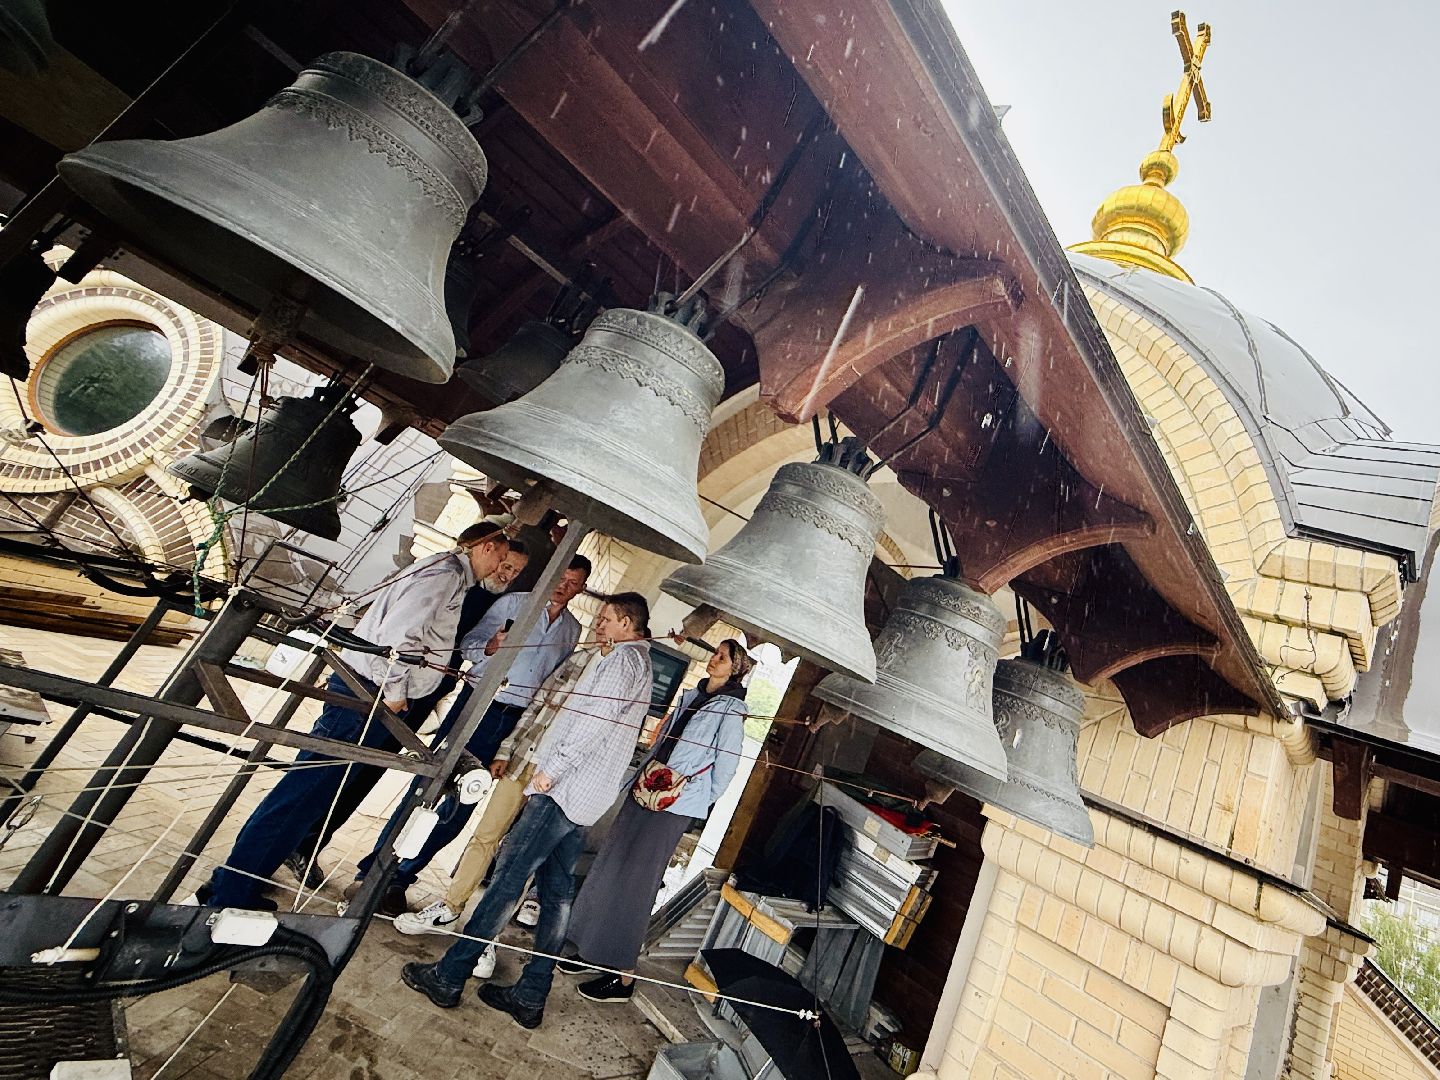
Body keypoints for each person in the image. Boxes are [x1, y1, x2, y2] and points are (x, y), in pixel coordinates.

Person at [199, 525, 511, 910]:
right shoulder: (445, 575)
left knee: (308, 797)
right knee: (300, 795)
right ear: (486, 546)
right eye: (501, 557)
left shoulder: (447, 573)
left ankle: (235, 882)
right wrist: (395, 693)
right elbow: (399, 638)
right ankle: (229, 892)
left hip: (366, 692)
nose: (501, 566)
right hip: (367, 695)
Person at [399, 593, 654, 1029]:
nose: (598, 626)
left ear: (627, 623)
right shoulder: (633, 662)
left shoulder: (622, 663)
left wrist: (550, 772)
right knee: (556, 895)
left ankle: (449, 975)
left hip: (562, 790)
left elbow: (593, 724)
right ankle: (531, 993)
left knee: (505, 882)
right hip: (584, 797)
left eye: (606, 619)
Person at [344, 555, 592, 916]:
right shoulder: (513, 603)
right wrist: (491, 646)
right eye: (560, 577)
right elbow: (469, 647)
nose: (563, 586)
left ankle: (401, 879)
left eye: (572, 583)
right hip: (479, 704)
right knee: (430, 787)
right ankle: (373, 872)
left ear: (581, 589)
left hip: (517, 722)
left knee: (463, 803)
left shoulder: (572, 629)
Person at [282, 527, 529, 888]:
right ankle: (294, 841)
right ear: (486, 551)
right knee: (344, 764)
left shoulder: (490, 599)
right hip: (392, 686)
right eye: (503, 564)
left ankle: (311, 841)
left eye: (515, 571)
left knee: (368, 772)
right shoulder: (450, 582)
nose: (504, 574)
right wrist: (397, 688)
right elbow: (406, 635)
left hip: (419, 695)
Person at [561, 639, 751, 1002]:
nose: (714, 659)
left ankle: (623, 975)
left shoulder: (732, 710)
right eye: (716, 653)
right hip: (647, 787)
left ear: (736, 669)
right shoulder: (692, 694)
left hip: (674, 803)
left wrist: (689, 796)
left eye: (722, 658)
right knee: (610, 865)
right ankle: (588, 949)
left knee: (637, 881)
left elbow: (725, 770)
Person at [394, 644, 595, 982]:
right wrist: (507, 748)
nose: (600, 625)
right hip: (525, 761)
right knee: (485, 835)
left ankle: (488, 937)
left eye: (607, 620)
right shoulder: (579, 656)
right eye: (600, 618)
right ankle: (450, 908)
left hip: (559, 777)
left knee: (520, 858)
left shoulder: (616, 675)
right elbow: (536, 707)